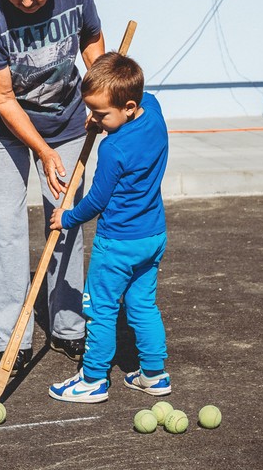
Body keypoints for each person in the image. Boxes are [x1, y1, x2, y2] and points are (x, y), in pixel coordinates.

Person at [0, 0, 105, 376]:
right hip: (1, 128)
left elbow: (90, 39)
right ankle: (12, 339)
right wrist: (44, 152)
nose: (26, 2)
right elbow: (3, 97)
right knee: (7, 226)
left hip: (66, 118)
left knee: (66, 220)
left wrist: (99, 93)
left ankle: (68, 327)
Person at [48, 52, 171, 403]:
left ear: (128, 107)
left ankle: (92, 379)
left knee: (100, 310)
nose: (95, 119)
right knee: (143, 305)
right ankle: (154, 375)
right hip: (152, 236)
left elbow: (96, 201)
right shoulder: (154, 113)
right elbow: (146, 95)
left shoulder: (114, 148)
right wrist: (106, 108)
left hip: (117, 243)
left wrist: (67, 217)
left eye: (101, 114)